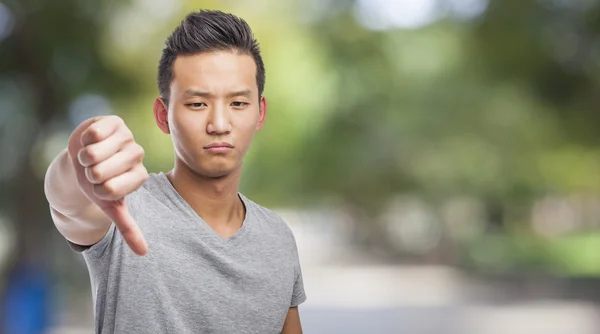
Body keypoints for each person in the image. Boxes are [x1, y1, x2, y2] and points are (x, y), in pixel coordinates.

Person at [44, 9, 306, 334]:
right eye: (197, 104)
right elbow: (70, 202)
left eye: (238, 103)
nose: (219, 124)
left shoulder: (278, 237)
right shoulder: (127, 210)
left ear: (260, 112)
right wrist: (80, 159)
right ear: (162, 114)